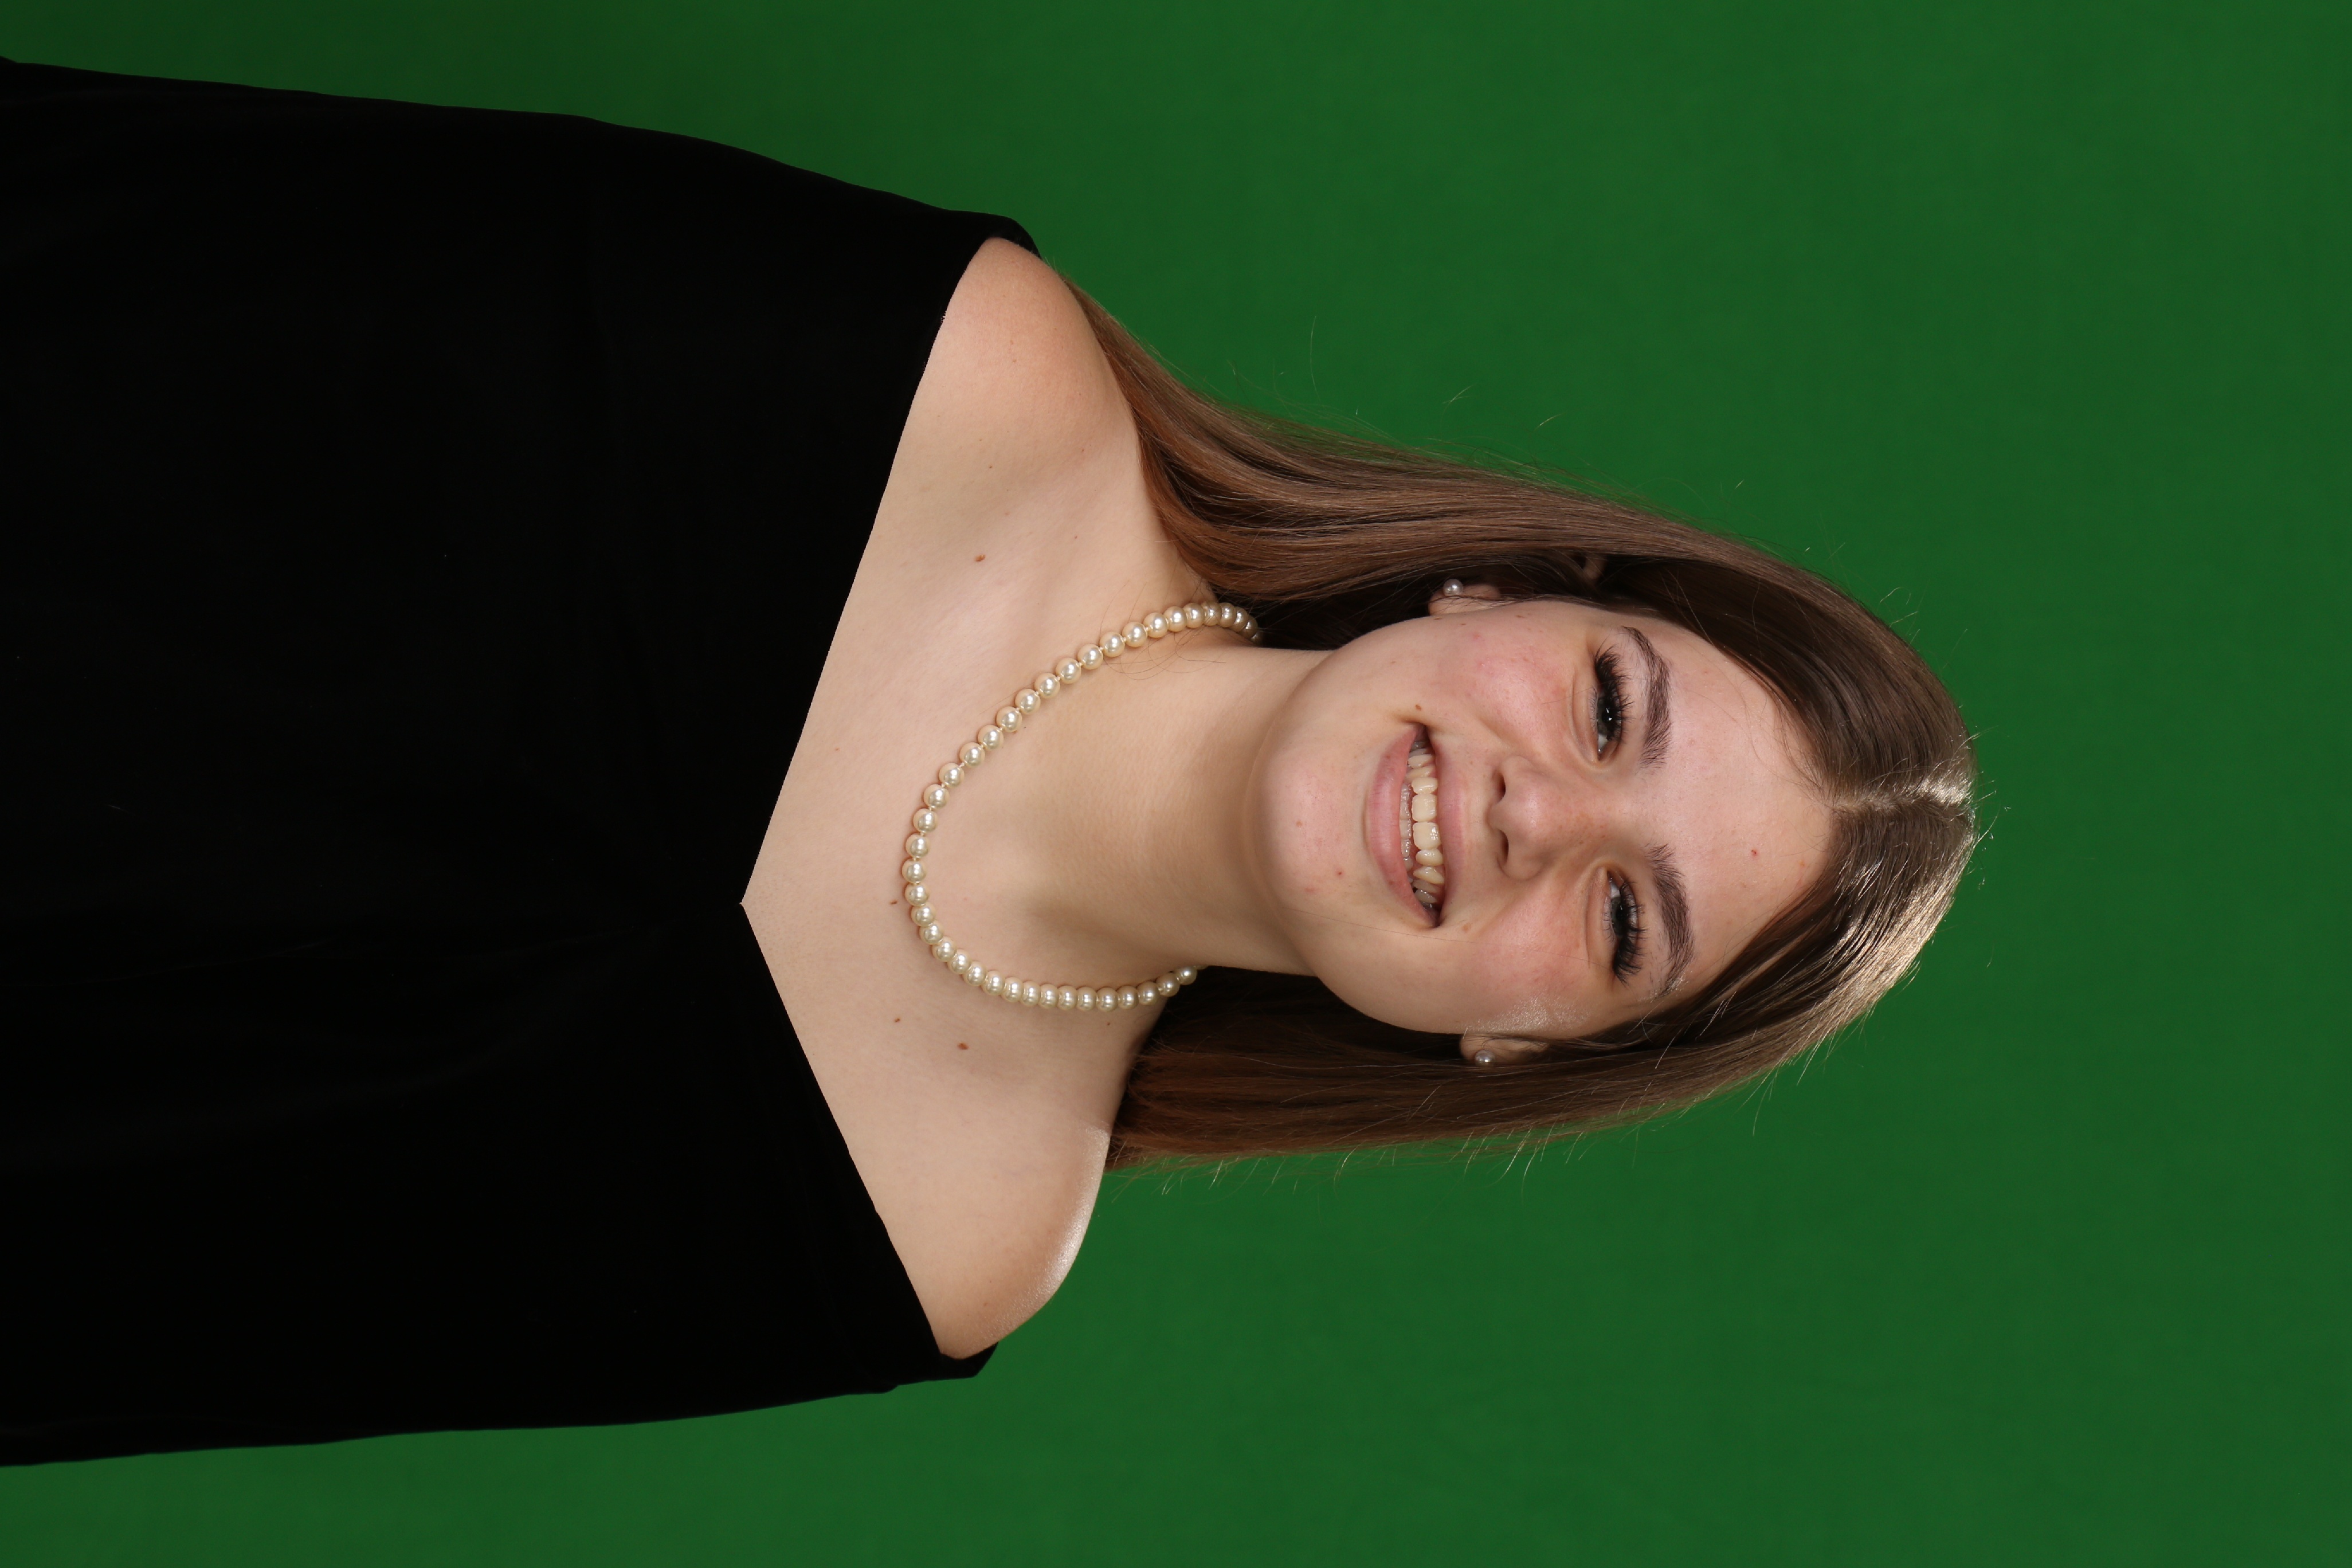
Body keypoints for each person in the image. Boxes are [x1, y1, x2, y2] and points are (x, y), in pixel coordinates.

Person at [0, 59, 1976, 1465]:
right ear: (1504, 586)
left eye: (1627, 923)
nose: (1543, 812)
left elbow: (120, 1320)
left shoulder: (947, 1242)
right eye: (1612, 706)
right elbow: (129, 244)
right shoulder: (956, 371)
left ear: (1522, 1051)